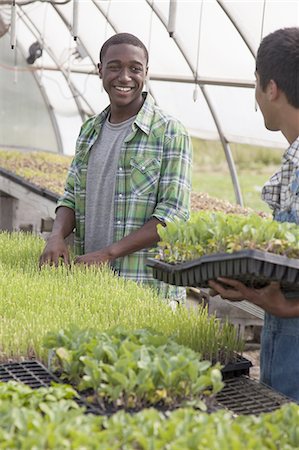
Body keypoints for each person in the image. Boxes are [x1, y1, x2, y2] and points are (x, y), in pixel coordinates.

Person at [39, 32, 192, 303]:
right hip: (90, 281)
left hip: (144, 289)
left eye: (135, 68)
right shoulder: (90, 130)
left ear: (146, 73)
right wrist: (56, 236)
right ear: (100, 71)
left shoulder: (169, 132)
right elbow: (72, 196)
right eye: (114, 67)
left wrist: (109, 253)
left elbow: (172, 216)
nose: (124, 77)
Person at [209, 27, 299, 401]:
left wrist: (286, 308)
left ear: (271, 88)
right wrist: (259, 292)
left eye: (257, 84)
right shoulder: (292, 164)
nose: (257, 97)